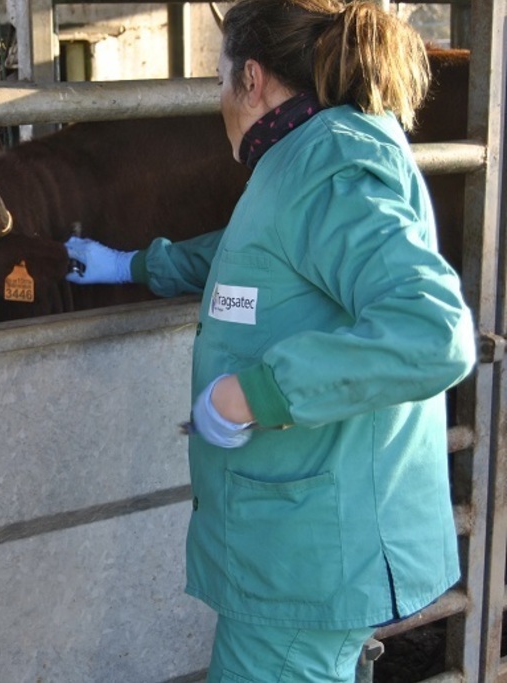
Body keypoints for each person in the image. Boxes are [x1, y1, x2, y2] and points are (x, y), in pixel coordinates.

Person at [64, 0, 477, 680]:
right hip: (304, 550)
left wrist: (250, 393)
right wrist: (129, 264)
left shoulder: (330, 163)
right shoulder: (303, 158)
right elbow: (254, 258)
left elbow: (431, 330)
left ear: (252, 80)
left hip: (308, 563)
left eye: (221, 82)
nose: (221, 100)